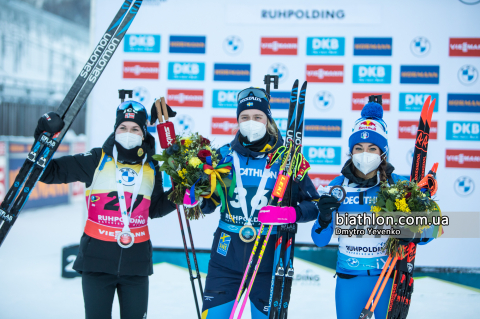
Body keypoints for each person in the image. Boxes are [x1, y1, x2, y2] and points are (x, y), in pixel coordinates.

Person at [36, 100, 176, 319]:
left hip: (136, 266)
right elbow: (49, 172)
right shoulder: (96, 159)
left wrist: (180, 196)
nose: (128, 133)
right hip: (96, 264)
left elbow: (154, 209)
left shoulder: (151, 167)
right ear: (115, 129)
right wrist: (42, 137)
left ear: (143, 134)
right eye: (123, 127)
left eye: (135, 129)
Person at [199, 87, 321, 318]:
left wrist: (290, 214)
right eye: (244, 117)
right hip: (225, 259)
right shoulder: (222, 156)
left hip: (269, 261)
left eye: (257, 117)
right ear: (237, 120)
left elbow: (314, 205)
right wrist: (197, 193)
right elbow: (209, 204)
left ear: (268, 120)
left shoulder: (288, 159)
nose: (250, 122)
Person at [310, 101, 434, 319]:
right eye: (358, 148)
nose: (364, 154)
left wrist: (412, 231)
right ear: (351, 151)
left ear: (382, 153)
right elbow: (319, 240)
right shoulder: (338, 186)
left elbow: (431, 232)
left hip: (387, 279)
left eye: (371, 149)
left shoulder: (399, 186)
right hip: (349, 280)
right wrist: (324, 218)